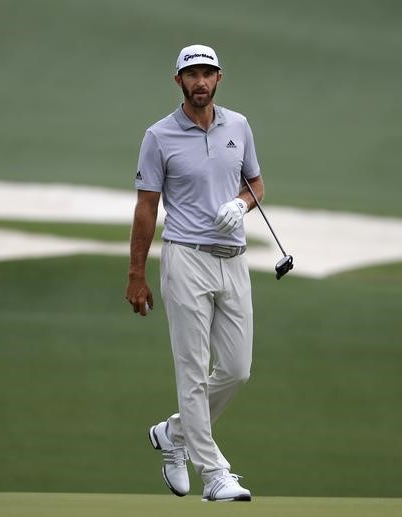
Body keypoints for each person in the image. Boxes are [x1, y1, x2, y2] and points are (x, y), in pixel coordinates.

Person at [125, 44, 264, 502]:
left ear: (219, 78)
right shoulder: (159, 136)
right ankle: (215, 473)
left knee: (238, 369)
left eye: (207, 73)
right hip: (186, 257)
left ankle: (173, 433)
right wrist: (136, 275)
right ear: (178, 81)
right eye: (192, 74)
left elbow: (256, 184)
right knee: (192, 370)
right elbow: (146, 210)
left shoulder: (238, 126)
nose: (200, 81)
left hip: (234, 258)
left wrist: (239, 205)